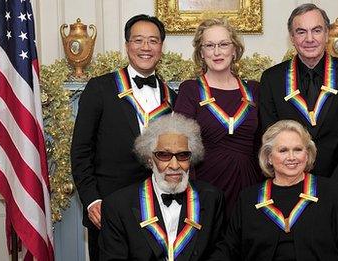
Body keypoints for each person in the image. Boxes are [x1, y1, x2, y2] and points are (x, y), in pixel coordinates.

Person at [70, 14, 177, 260]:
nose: (145, 47)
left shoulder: (172, 97)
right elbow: (80, 151)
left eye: (153, 41)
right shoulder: (100, 88)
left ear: (161, 46)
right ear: (127, 44)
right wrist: (91, 200)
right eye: (138, 40)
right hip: (108, 208)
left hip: (158, 209)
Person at [259, 3, 338, 210]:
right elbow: (270, 140)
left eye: (316, 30)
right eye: (301, 32)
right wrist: (295, 183)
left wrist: (334, 187)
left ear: (327, 33)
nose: (309, 39)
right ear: (292, 37)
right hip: (289, 190)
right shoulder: (271, 79)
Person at [210, 120, 338, 260]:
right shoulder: (249, 199)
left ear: (307, 155)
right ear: (269, 157)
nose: (291, 157)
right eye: (283, 150)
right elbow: (229, 249)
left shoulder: (332, 193)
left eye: (298, 149)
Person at [99, 114, 225, 260]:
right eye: (164, 155)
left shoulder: (211, 198)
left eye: (183, 155)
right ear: (149, 159)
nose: (174, 165)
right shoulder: (118, 206)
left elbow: (219, 254)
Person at [174, 18, 262, 215]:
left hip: (249, 185)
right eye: (209, 45)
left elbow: (262, 143)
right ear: (201, 53)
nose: (217, 52)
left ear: (234, 49)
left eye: (223, 44)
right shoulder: (190, 90)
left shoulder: (255, 90)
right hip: (206, 187)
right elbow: (180, 144)